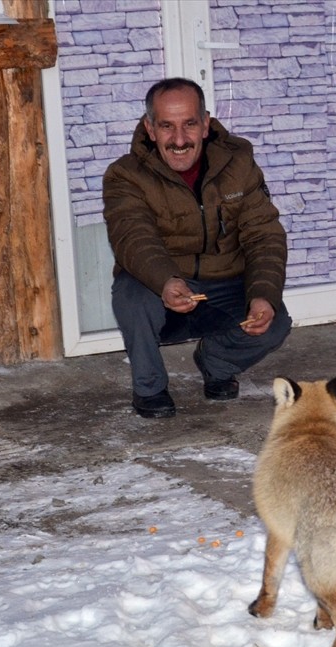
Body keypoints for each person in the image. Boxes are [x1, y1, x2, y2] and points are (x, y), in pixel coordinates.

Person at [103, 77, 292, 418]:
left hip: (224, 285)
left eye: (189, 124)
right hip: (163, 288)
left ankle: (216, 363)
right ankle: (150, 387)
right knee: (131, 297)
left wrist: (263, 292)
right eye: (166, 126)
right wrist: (166, 281)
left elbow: (263, 234)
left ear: (205, 124)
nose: (179, 139)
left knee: (276, 323)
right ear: (150, 128)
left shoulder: (240, 165)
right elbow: (133, 238)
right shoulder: (124, 176)